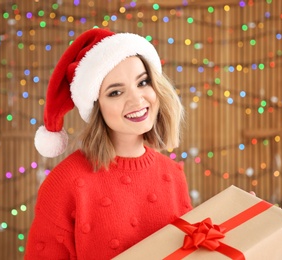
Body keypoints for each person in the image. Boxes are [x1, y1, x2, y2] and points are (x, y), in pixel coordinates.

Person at [25, 28, 193, 260]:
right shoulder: (64, 183)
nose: (136, 99)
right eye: (115, 92)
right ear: (97, 108)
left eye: (143, 82)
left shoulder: (173, 174)